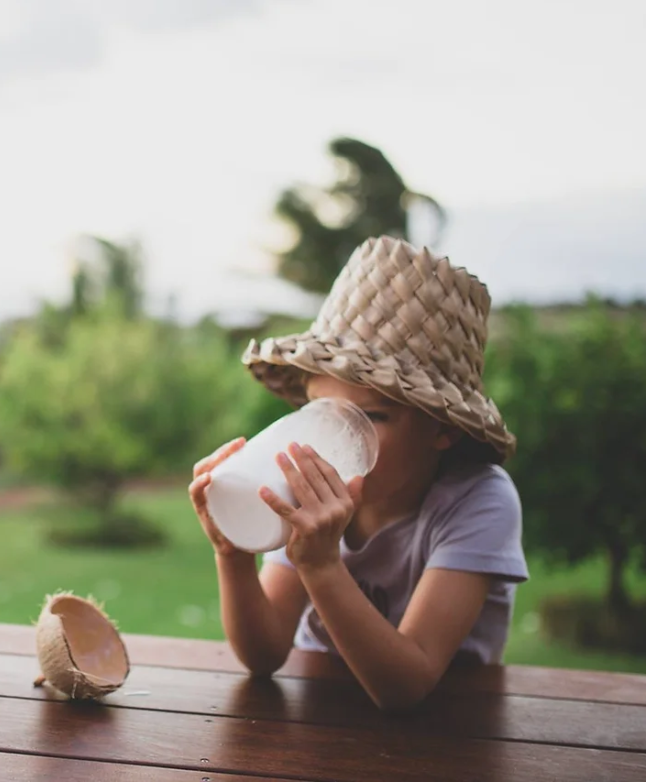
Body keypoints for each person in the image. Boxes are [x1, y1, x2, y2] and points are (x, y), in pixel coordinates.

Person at [189, 235, 527, 710]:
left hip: (450, 728)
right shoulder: (304, 496)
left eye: (375, 416)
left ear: (442, 430)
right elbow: (264, 656)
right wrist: (233, 554)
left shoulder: (477, 501)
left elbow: (407, 686)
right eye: (321, 410)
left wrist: (322, 565)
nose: (336, 438)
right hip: (321, 715)